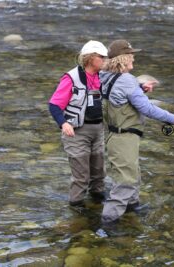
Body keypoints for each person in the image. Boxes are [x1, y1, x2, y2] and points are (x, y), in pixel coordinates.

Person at [99, 39, 174, 224]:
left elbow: (119, 94)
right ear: (123, 60)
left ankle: (132, 207)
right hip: (123, 136)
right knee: (126, 180)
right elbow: (148, 109)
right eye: (131, 58)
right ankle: (108, 223)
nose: (133, 63)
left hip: (112, 134)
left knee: (132, 172)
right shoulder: (126, 80)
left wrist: (139, 89)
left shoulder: (105, 75)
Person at [48, 40, 108, 209]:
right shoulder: (71, 78)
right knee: (81, 176)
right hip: (76, 132)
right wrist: (63, 123)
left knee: (99, 173)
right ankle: (77, 210)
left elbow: (123, 87)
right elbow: (54, 105)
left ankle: (98, 204)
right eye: (101, 57)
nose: (105, 60)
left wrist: (141, 88)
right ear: (90, 58)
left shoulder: (102, 75)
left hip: (98, 130)